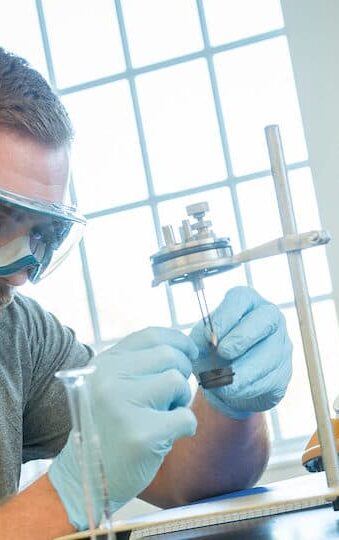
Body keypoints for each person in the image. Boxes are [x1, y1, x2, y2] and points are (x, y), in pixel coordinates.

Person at [0, 47, 292, 539]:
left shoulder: (20, 333)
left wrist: (230, 407)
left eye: (40, 235)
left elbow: (181, 477)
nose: (20, 271)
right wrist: (70, 494)